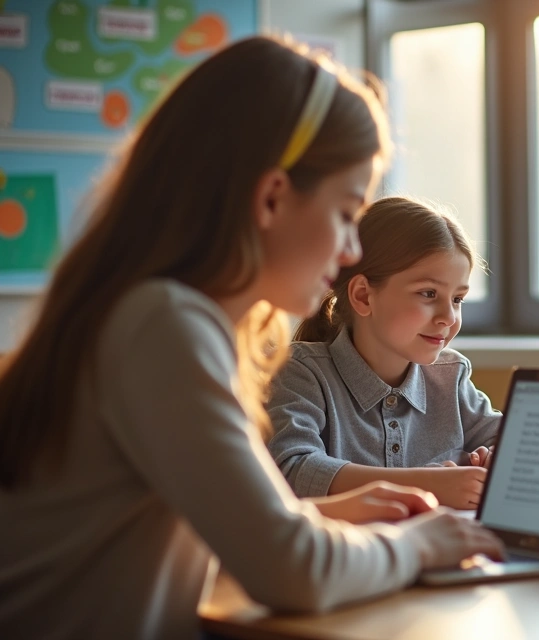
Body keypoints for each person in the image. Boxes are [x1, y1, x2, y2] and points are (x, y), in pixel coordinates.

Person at [0, 37, 502, 640]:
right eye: (346, 213)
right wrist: (419, 545)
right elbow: (293, 572)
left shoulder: (152, 312)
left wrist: (315, 513)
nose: (349, 250)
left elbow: (200, 526)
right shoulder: (163, 326)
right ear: (271, 199)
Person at [267, 196, 498, 509]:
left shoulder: (452, 376)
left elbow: (512, 444)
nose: (448, 316)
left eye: (457, 299)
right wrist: (428, 485)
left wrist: (498, 458)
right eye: (428, 293)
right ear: (363, 295)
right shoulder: (301, 371)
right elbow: (292, 470)